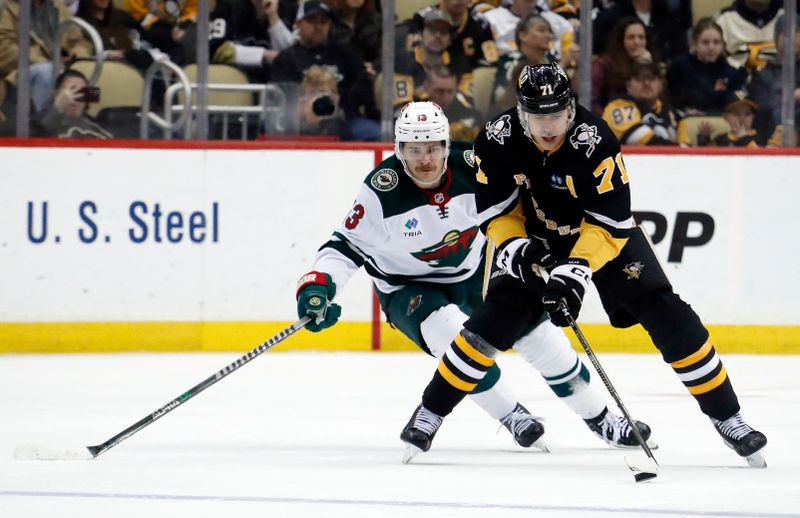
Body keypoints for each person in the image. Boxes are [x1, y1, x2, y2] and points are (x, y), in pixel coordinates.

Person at [401, 63, 768, 468]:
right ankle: (430, 411)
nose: (549, 125)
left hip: (599, 237)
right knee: (492, 324)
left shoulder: (595, 140)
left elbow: (610, 221)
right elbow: (496, 212)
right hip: (534, 240)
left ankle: (728, 417)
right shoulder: (497, 138)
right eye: (538, 116)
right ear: (521, 113)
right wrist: (518, 248)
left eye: (557, 114)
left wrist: (574, 271)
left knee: (669, 315)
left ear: (571, 108)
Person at [295, 101, 655, 463]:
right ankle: (511, 414)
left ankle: (603, 419)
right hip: (408, 287)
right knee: (453, 337)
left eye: (434, 148)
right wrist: (317, 287)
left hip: (478, 272)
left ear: (447, 146)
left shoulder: (475, 166)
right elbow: (343, 247)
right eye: (414, 150)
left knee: (541, 337)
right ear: (398, 150)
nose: (425, 160)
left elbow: (524, 205)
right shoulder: (381, 192)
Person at [271, 0, 379, 141]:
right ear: (298, 24)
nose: (318, 26)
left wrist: (340, 101)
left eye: (324, 21)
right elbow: (279, 94)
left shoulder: (347, 54)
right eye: (311, 20)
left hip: (343, 118)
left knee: (374, 133)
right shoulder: (286, 58)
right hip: (299, 121)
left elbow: (363, 87)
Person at [666, 18, 746, 117]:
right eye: (705, 42)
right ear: (695, 44)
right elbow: (669, 99)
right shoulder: (679, 67)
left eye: (716, 42)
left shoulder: (732, 73)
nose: (711, 48)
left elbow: (734, 106)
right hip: (685, 121)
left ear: (723, 45)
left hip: (721, 121)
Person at [208, 0, 295, 83]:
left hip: (276, 84)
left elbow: (292, 57)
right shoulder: (228, 5)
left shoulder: (289, 9)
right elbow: (217, 50)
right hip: (237, 81)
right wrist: (263, 55)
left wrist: (273, 17)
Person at [602, 60, 677, 145]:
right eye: (639, 79)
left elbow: (685, 143)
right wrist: (677, 150)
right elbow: (635, 137)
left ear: (661, 84)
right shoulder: (617, 106)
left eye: (652, 78)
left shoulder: (670, 111)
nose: (646, 83)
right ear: (628, 85)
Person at [32, 69, 113, 138]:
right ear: (56, 94)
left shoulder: (94, 131)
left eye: (81, 93)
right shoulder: (36, 121)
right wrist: (58, 108)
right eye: (71, 91)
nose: (76, 98)